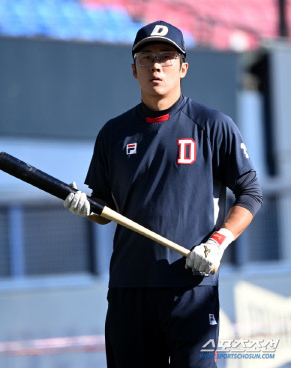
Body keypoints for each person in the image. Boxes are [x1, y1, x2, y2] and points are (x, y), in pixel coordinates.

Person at [64, 20, 263, 368]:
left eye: (167, 57)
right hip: (130, 289)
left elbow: (250, 193)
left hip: (191, 287)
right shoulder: (113, 133)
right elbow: (104, 207)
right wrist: (86, 207)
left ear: (183, 67)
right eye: (146, 58)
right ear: (133, 69)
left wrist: (217, 242)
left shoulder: (213, 125)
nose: (156, 65)